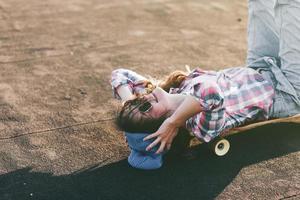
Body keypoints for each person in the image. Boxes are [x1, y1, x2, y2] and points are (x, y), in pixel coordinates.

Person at [110, 0, 300, 169]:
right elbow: (211, 93)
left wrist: (129, 103)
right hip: (288, 90)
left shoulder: (176, 90)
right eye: (144, 106)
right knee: (289, 4)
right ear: (164, 127)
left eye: (137, 100)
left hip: (260, 66)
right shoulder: (200, 127)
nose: (144, 97)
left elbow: (119, 75)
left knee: (258, 4)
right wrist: (174, 121)